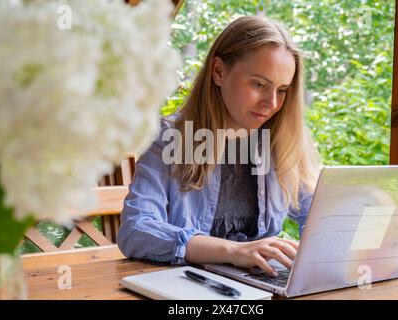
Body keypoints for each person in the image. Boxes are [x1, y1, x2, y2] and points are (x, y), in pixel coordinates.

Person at [117, 15, 321, 277]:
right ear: (219, 72)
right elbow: (136, 230)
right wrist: (234, 251)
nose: (271, 103)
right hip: (186, 286)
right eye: (259, 84)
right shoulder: (169, 138)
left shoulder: (282, 139)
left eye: (282, 90)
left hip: (260, 284)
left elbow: (319, 220)